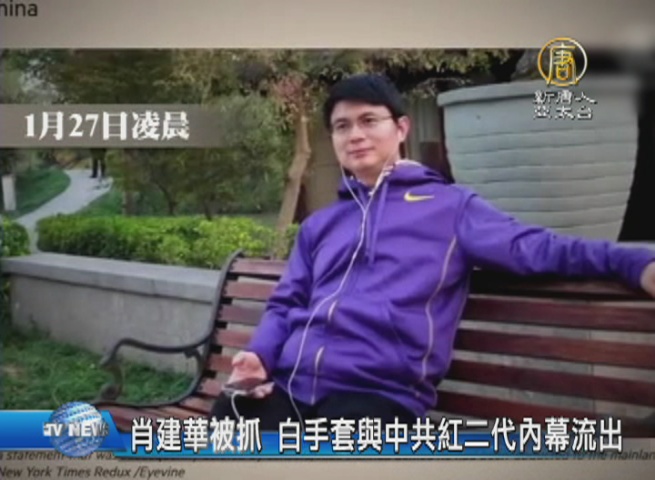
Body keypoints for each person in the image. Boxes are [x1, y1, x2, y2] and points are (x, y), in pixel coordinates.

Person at [210, 73, 655, 431]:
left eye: (369, 120)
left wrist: (635, 263)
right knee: (229, 418)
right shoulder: (321, 225)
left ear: (401, 128)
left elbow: (534, 247)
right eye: (342, 126)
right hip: (292, 387)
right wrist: (260, 357)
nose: (355, 135)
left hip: (375, 396)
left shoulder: (450, 208)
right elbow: (287, 302)